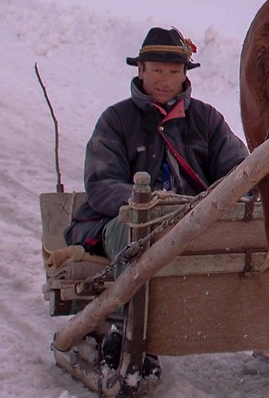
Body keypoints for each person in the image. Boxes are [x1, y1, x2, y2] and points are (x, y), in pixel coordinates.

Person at [68, 26, 248, 260]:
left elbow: (239, 169)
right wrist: (146, 204)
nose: (165, 80)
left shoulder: (207, 118)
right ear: (141, 70)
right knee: (135, 241)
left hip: (200, 220)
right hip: (128, 222)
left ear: (185, 74)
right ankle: (134, 296)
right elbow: (102, 182)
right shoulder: (115, 120)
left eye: (173, 72)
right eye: (157, 70)